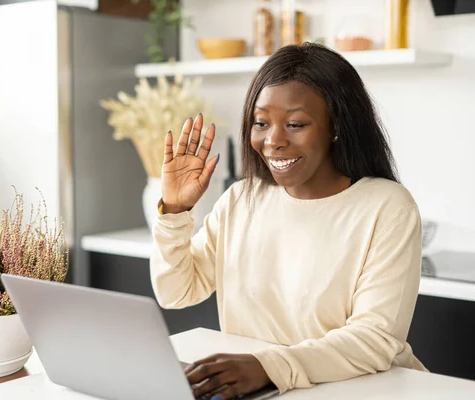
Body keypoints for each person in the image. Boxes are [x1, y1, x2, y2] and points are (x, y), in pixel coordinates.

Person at [150, 43, 427, 399]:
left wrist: (269, 367)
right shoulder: (241, 199)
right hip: (270, 389)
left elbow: (374, 339)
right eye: (261, 123)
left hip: (371, 389)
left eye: (295, 124)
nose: (273, 141)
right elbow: (176, 292)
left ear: (336, 128)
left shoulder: (387, 207)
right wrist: (174, 210)